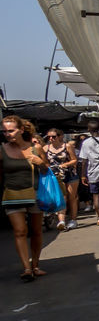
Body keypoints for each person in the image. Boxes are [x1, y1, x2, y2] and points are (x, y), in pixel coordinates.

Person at [2, 115, 50, 281]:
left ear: (21, 130)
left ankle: (35, 265)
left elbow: (46, 170)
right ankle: (27, 268)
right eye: (5, 131)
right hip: (12, 195)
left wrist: (40, 162)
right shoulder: (2, 149)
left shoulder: (35, 148)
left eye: (11, 130)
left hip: (35, 194)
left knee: (36, 231)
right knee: (20, 231)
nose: (7, 134)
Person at [43, 128, 81, 230]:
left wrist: (65, 165)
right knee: (62, 198)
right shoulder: (45, 148)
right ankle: (62, 221)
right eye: (49, 136)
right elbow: (45, 162)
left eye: (53, 136)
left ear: (60, 136)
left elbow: (74, 160)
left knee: (71, 197)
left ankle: (73, 220)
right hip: (56, 176)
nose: (51, 138)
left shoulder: (67, 146)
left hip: (70, 174)